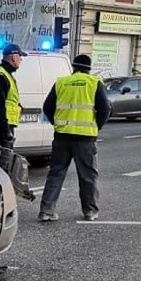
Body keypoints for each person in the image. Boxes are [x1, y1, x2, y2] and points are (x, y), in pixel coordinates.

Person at [38, 54, 111, 222]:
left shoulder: (61, 82)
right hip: (85, 138)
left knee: (56, 173)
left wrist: (57, 123)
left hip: (62, 136)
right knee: (87, 175)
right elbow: (105, 109)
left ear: (74, 67)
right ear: (88, 68)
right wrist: (96, 126)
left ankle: (47, 210)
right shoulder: (94, 83)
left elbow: (47, 107)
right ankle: (90, 211)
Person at [0, 43, 26, 149]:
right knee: (2, 161)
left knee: (6, 160)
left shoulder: (6, 75)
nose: (21, 60)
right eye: (20, 56)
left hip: (2, 126)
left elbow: (8, 100)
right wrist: (5, 130)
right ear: (13, 57)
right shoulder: (0, 76)